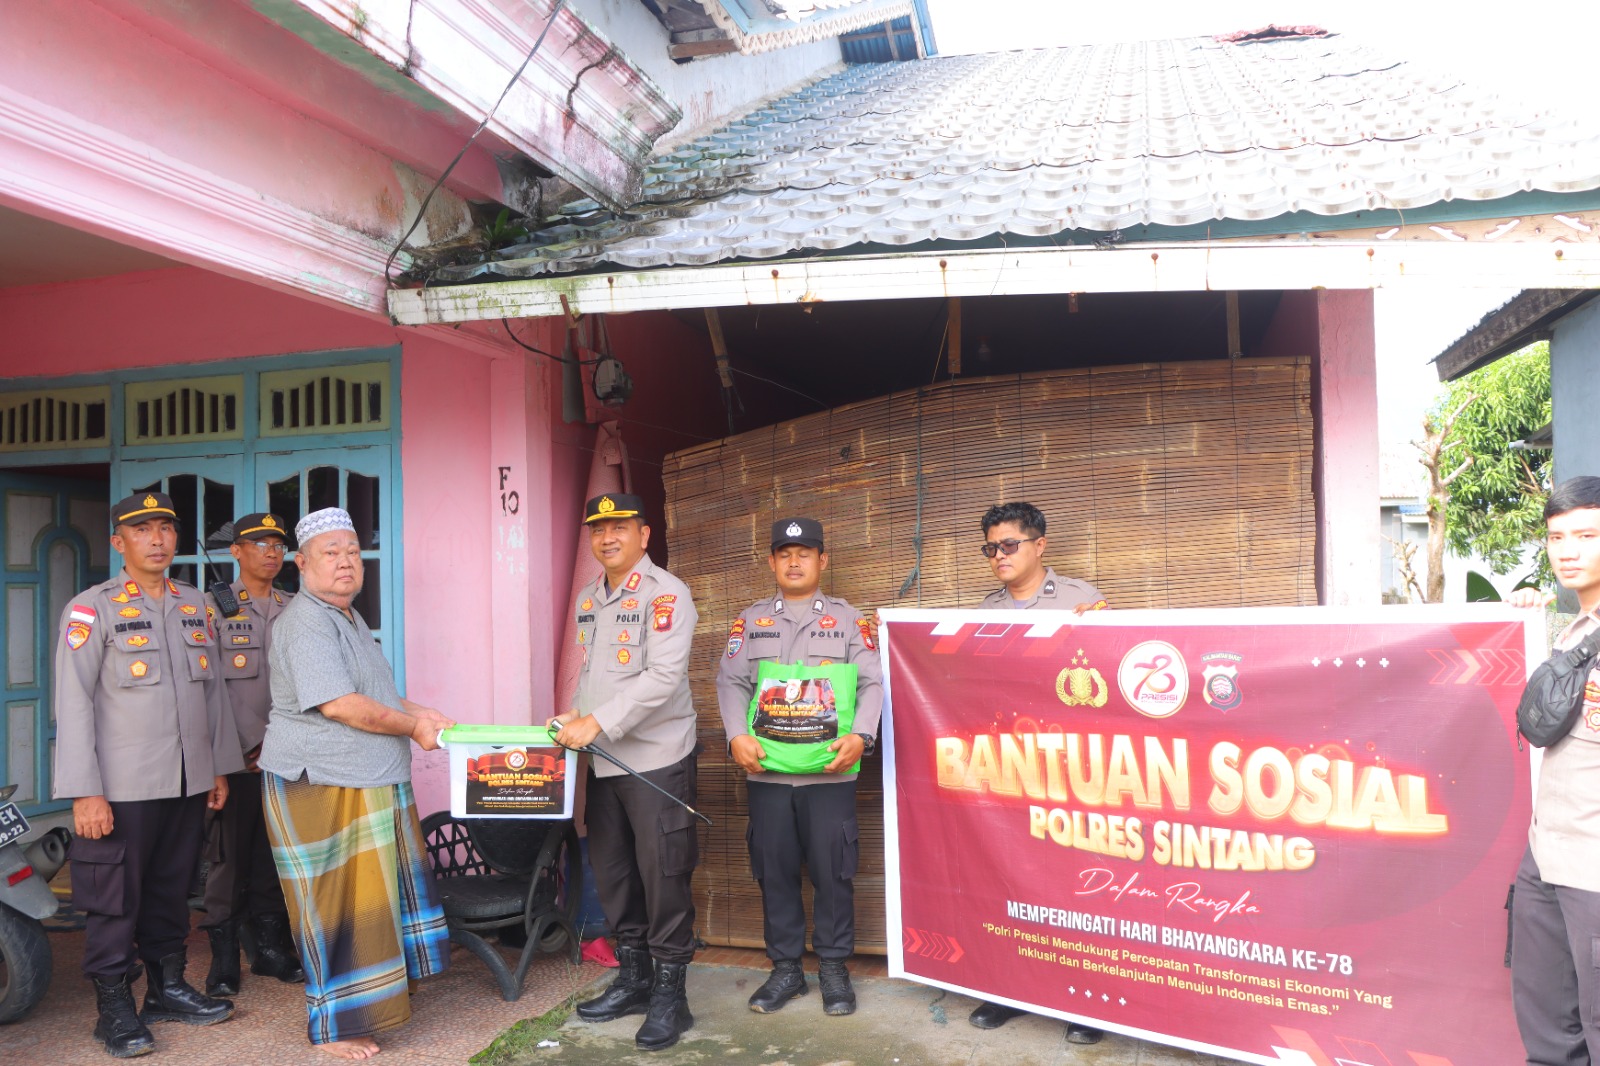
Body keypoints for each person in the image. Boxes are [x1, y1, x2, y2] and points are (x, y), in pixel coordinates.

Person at [257, 507, 454, 1061]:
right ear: (302, 564)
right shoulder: (306, 622)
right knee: (335, 909)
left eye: (352, 552)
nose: (345, 562)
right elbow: (341, 704)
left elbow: (374, 694)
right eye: (331, 553)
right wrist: (414, 728)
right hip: (323, 784)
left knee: (375, 901)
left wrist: (422, 713)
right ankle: (334, 1027)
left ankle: (374, 1001)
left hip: (366, 778)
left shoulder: (345, 616)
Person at [53, 491, 245, 1058]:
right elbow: (74, 702)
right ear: (119, 542)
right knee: (114, 899)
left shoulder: (194, 605)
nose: (157, 539)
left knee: (171, 889)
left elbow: (213, 695)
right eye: (142, 530)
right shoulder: (92, 609)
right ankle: (113, 1009)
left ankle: (167, 989)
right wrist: (85, 791)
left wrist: (216, 769)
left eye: (165, 528)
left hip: (186, 780)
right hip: (121, 788)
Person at [715, 518, 883, 1017]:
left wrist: (862, 736)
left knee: (833, 873)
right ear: (771, 562)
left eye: (804, 553)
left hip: (829, 772)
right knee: (775, 871)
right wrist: (736, 735)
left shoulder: (849, 620)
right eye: (784, 554)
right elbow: (731, 682)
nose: (794, 562)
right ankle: (786, 970)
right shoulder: (750, 622)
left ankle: (833, 969)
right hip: (768, 772)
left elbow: (872, 683)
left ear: (822, 560)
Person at [553, 493, 700, 1052]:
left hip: (656, 761)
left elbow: (663, 678)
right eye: (598, 529)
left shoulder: (667, 594)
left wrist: (595, 721)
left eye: (619, 527)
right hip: (605, 761)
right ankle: (635, 980)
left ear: (644, 534)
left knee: (663, 877)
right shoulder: (591, 597)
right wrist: (575, 714)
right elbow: (595, 675)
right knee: (614, 874)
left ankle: (671, 997)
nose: (607, 537)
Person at [968, 501, 1106, 1045]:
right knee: (1008, 876)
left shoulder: (1081, 600)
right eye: (990, 548)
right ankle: (1008, 989)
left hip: (1070, 771)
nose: (998, 556)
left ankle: (1085, 1001)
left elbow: (1109, 678)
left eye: (1009, 545)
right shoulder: (985, 610)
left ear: (1039, 544)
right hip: (1009, 769)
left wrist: (1100, 631)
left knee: (1076, 885)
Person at [1506, 476, 1600, 1064]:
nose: (1568, 551)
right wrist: (1520, 619)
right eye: (1556, 537)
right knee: (1547, 1033)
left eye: (1587, 536)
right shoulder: (1573, 629)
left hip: (1595, 869)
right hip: (1546, 858)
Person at [201, 513, 304, 996]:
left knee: (274, 852)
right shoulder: (210, 608)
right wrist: (231, 752)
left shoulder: (296, 608)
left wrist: (278, 742)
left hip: (284, 753)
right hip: (235, 758)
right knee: (227, 860)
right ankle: (224, 958)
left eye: (277, 545)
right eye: (259, 544)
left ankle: (270, 948)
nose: (271, 552)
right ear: (236, 551)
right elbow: (207, 690)